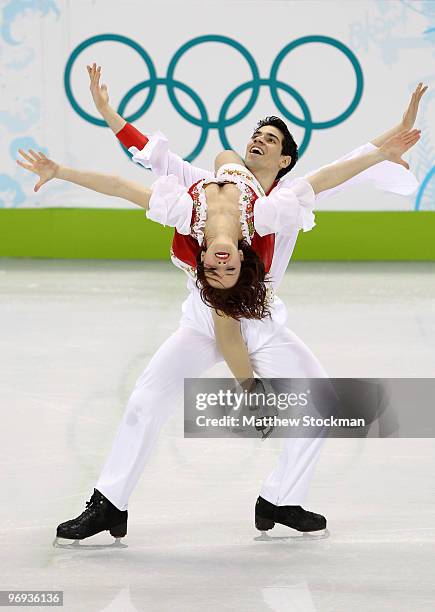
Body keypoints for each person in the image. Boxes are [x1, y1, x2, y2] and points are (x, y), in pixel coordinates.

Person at [19, 66, 425, 544]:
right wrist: (106, 115)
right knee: (146, 399)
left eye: (270, 139)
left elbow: (341, 167)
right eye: (256, 134)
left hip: (260, 314)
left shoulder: (286, 197)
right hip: (204, 309)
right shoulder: (205, 187)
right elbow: (143, 161)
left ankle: (280, 498)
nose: (258, 141)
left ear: (286, 159)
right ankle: (109, 504)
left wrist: (388, 143)